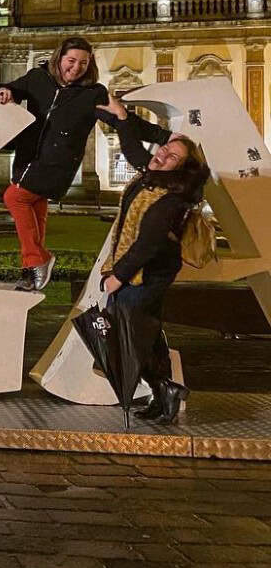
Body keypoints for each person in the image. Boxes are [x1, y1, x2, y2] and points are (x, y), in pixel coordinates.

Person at [0, 36, 170, 291]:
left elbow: (125, 121)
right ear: (59, 58)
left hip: (57, 165)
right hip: (27, 159)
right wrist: (6, 90)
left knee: (14, 197)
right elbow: (14, 88)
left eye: (83, 63)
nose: (76, 67)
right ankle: (30, 273)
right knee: (35, 209)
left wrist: (165, 137)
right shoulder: (37, 78)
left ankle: (37, 260)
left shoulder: (92, 94)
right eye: (72, 60)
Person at [97, 96, 209, 424]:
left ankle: (165, 388)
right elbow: (134, 151)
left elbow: (148, 243)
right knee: (147, 333)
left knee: (130, 334)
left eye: (172, 156)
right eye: (164, 150)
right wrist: (122, 118)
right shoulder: (154, 176)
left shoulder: (171, 196)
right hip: (143, 271)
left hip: (147, 273)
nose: (162, 155)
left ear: (183, 168)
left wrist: (118, 276)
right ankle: (163, 396)